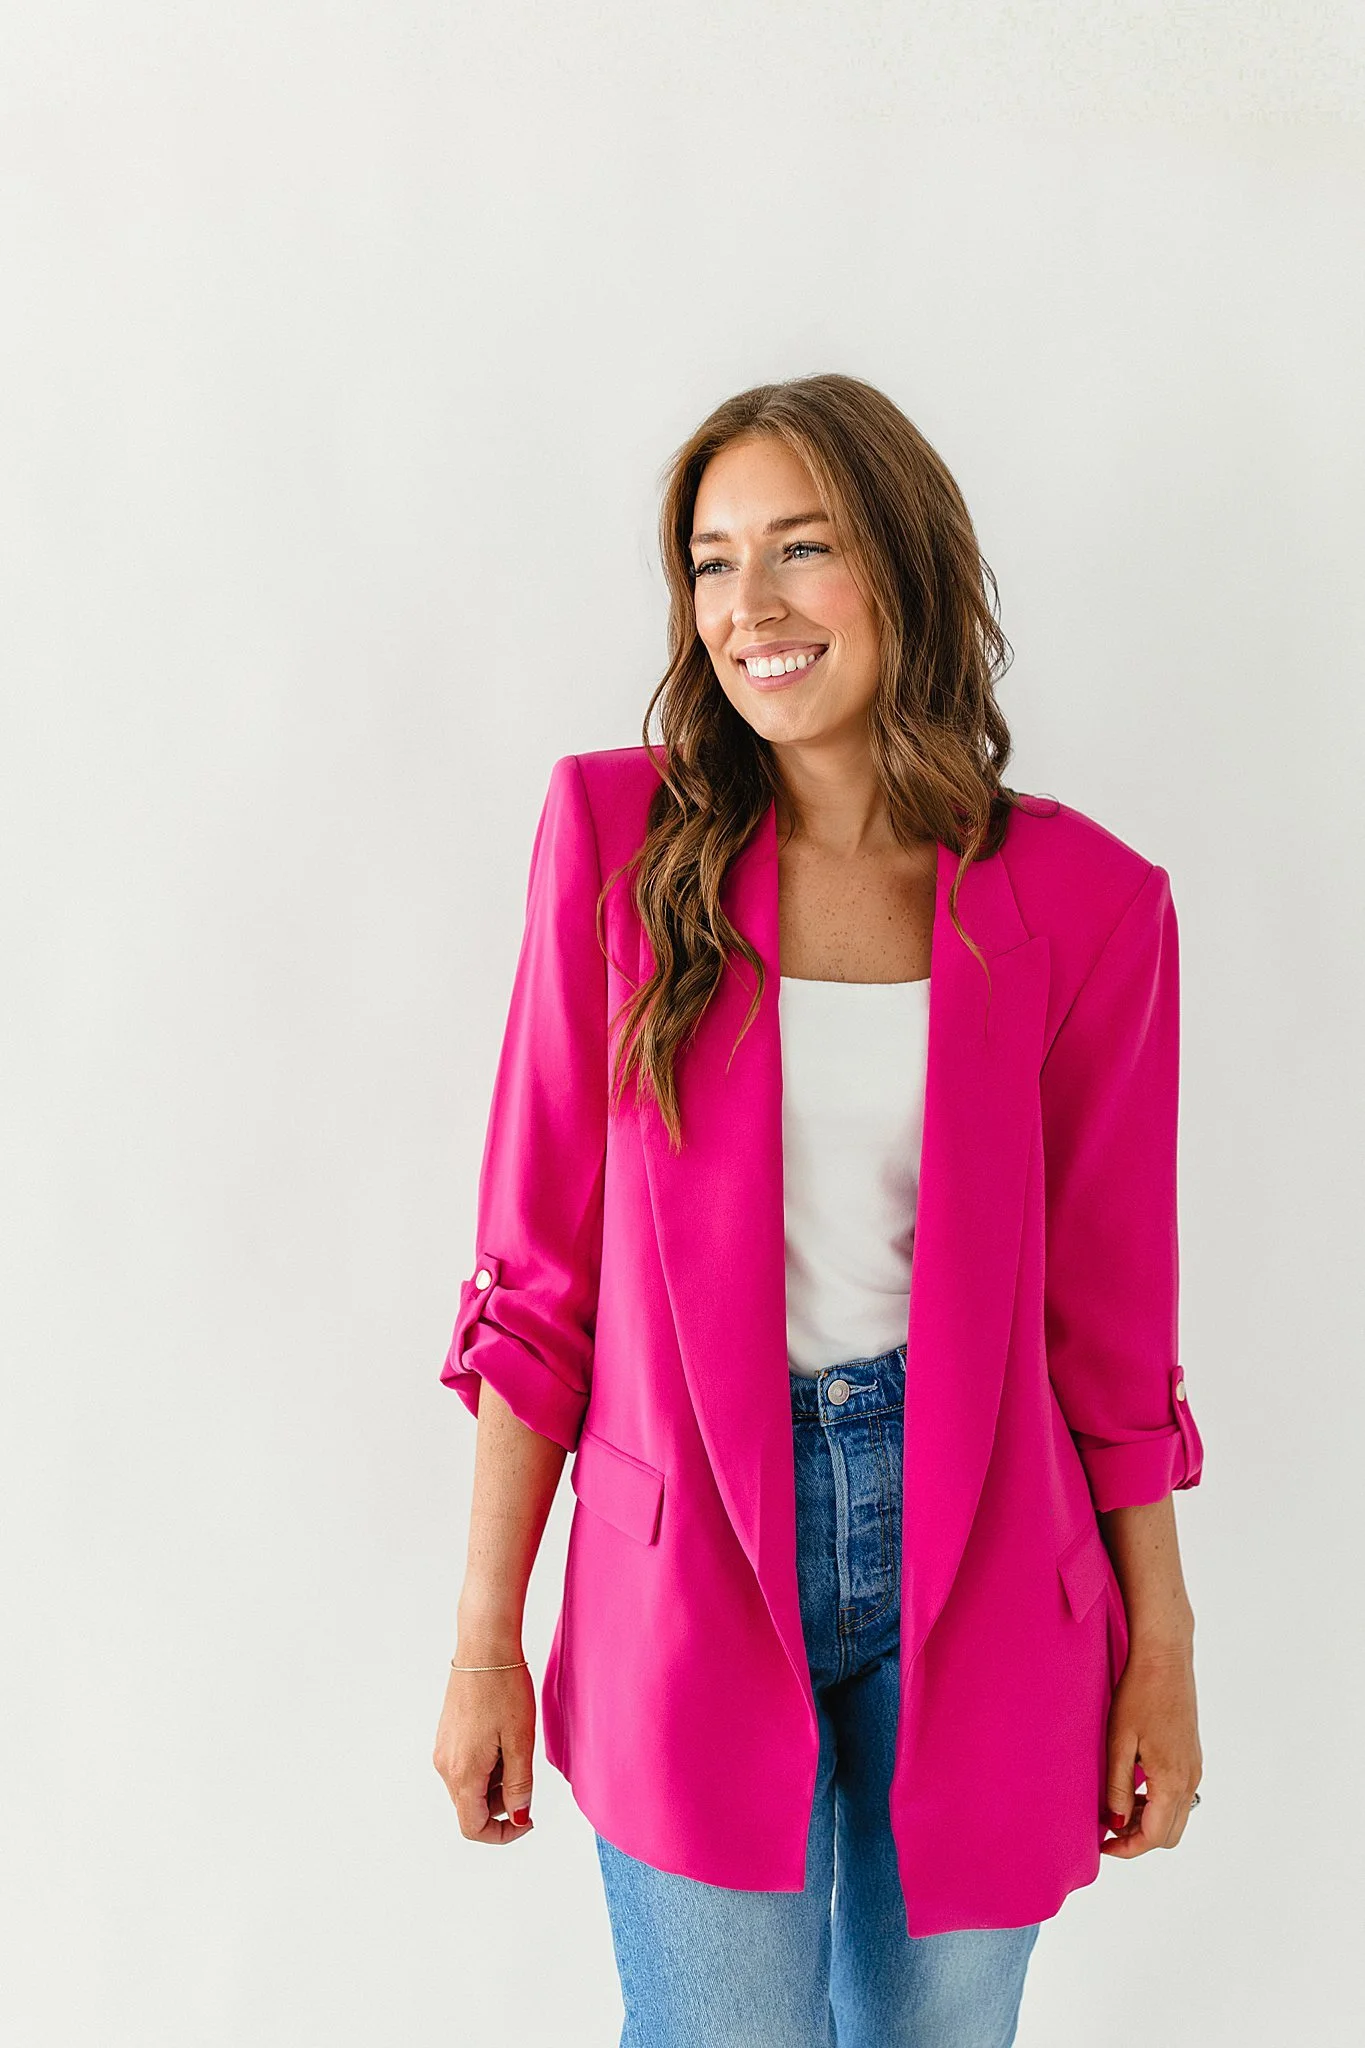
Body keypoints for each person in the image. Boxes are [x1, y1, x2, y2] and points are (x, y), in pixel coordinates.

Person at [431, 373, 1205, 2048]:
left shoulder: (1089, 905)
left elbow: (1110, 1335)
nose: (749, 608)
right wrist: (487, 1636)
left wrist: (1166, 1643)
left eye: (801, 548)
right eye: (712, 563)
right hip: (687, 1557)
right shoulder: (617, 843)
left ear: (905, 567)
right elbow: (537, 1285)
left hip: (988, 1560)